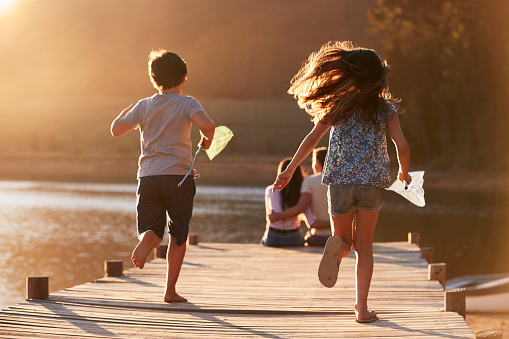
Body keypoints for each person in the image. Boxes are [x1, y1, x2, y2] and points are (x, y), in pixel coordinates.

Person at [272, 41, 411, 323]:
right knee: (365, 246)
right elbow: (403, 146)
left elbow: (312, 139)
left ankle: (336, 249)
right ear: (378, 77)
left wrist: (291, 169)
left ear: (350, 76)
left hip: (339, 183)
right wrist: (403, 172)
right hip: (371, 185)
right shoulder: (386, 110)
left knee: (344, 241)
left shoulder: (338, 106)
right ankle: (361, 309)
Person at [110, 49, 215, 303]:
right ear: (184, 77)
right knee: (178, 235)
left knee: (151, 228)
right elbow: (208, 125)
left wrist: (128, 110)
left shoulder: (144, 105)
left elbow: (115, 130)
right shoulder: (188, 103)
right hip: (178, 177)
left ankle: (148, 238)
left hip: (148, 177)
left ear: (153, 79)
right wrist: (207, 140)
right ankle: (170, 291)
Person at [269, 147, 331, 246]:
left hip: (319, 238)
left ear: (317, 163)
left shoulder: (309, 182)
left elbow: (301, 208)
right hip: (343, 236)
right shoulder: (343, 180)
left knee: (308, 237)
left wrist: (276, 217)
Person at [262, 158, 315, 247]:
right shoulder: (303, 191)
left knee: (263, 241)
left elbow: (270, 216)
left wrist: (277, 217)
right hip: (293, 237)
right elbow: (310, 218)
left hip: (273, 238)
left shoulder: (271, 190)